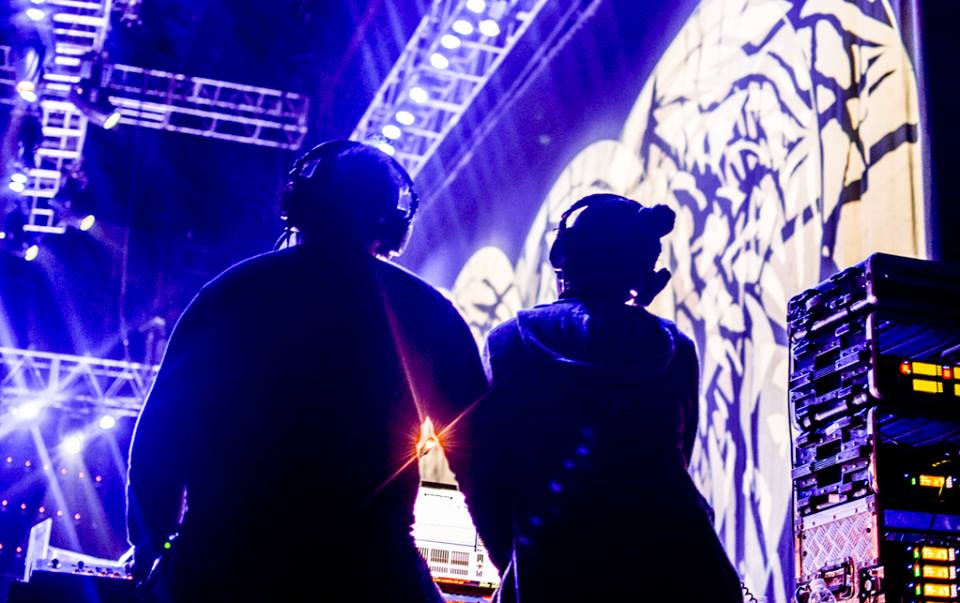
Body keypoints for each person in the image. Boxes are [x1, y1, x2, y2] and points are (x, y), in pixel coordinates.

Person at [126, 140, 487, 602]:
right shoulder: (427, 311)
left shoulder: (229, 294)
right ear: (393, 221)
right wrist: (514, 565)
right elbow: (482, 455)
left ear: (299, 204)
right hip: (368, 572)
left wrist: (152, 546)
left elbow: (161, 435)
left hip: (222, 565)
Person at [453, 194, 743, 602]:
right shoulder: (676, 347)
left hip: (555, 573)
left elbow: (486, 481)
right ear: (642, 266)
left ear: (563, 256)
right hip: (687, 573)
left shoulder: (508, 343)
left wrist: (523, 565)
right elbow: (677, 460)